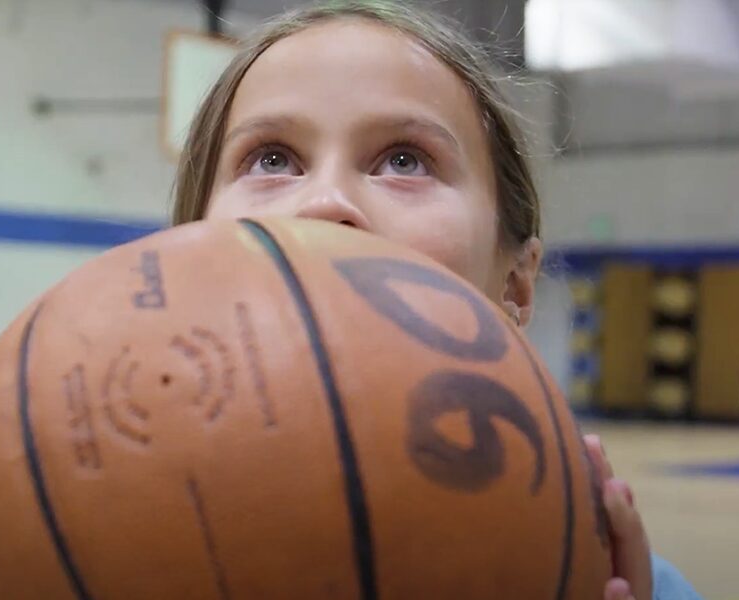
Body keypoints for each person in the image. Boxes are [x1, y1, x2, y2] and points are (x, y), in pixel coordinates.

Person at [168, 1, 703, 599]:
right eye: (272, 159)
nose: (325, 203)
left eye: (404, 159)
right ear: (189, 247)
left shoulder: (622, 582)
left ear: (515, 285)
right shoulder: (92, 536)